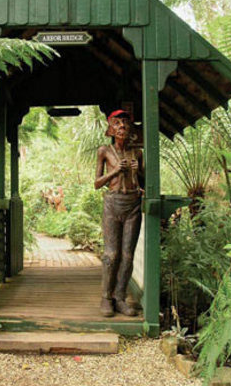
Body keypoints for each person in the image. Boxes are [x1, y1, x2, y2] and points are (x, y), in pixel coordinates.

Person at [94, 109, 143, 317]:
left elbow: (143, 182)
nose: (122, 127)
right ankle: (106, 297)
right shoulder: (104, 151)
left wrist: (138, 170)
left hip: (133, 204)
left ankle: (120, 298)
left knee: (127, 255)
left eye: (125, 123)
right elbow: (97, 183)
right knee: (111, 254)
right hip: (113, 203)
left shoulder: (136, 153)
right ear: (110, 129)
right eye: (117, 123)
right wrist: (115, 170)